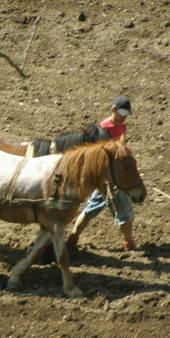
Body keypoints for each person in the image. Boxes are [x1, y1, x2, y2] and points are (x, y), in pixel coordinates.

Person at [67, 95, 139, 251]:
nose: (124, 117)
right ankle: (130, 244)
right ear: (113, 110)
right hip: (108, 178)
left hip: (113, 175)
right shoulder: (103, 129)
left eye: (126, 114)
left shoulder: (122, 127)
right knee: (125, 210)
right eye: (121, 114)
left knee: (91, 208)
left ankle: (72, 238)